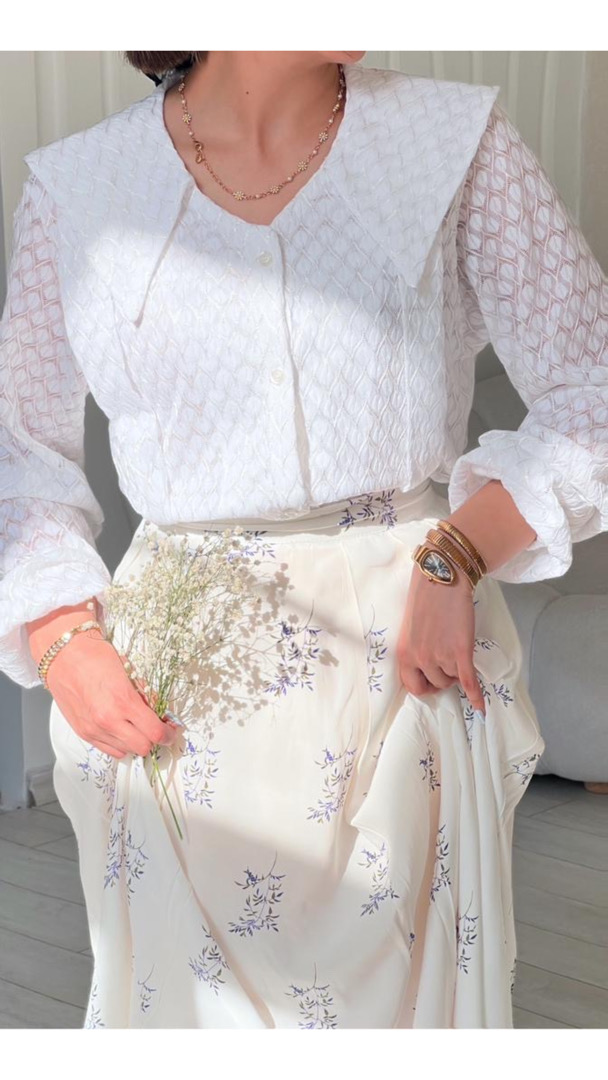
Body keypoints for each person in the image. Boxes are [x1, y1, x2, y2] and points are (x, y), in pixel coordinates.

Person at [0, 50, 606, 1029]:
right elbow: (19, 452)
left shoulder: (453, 143)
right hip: (175, 698)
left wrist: (455, 555)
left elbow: (593, 388)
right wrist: (60, 637)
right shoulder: (80, 187)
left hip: (407, 674)